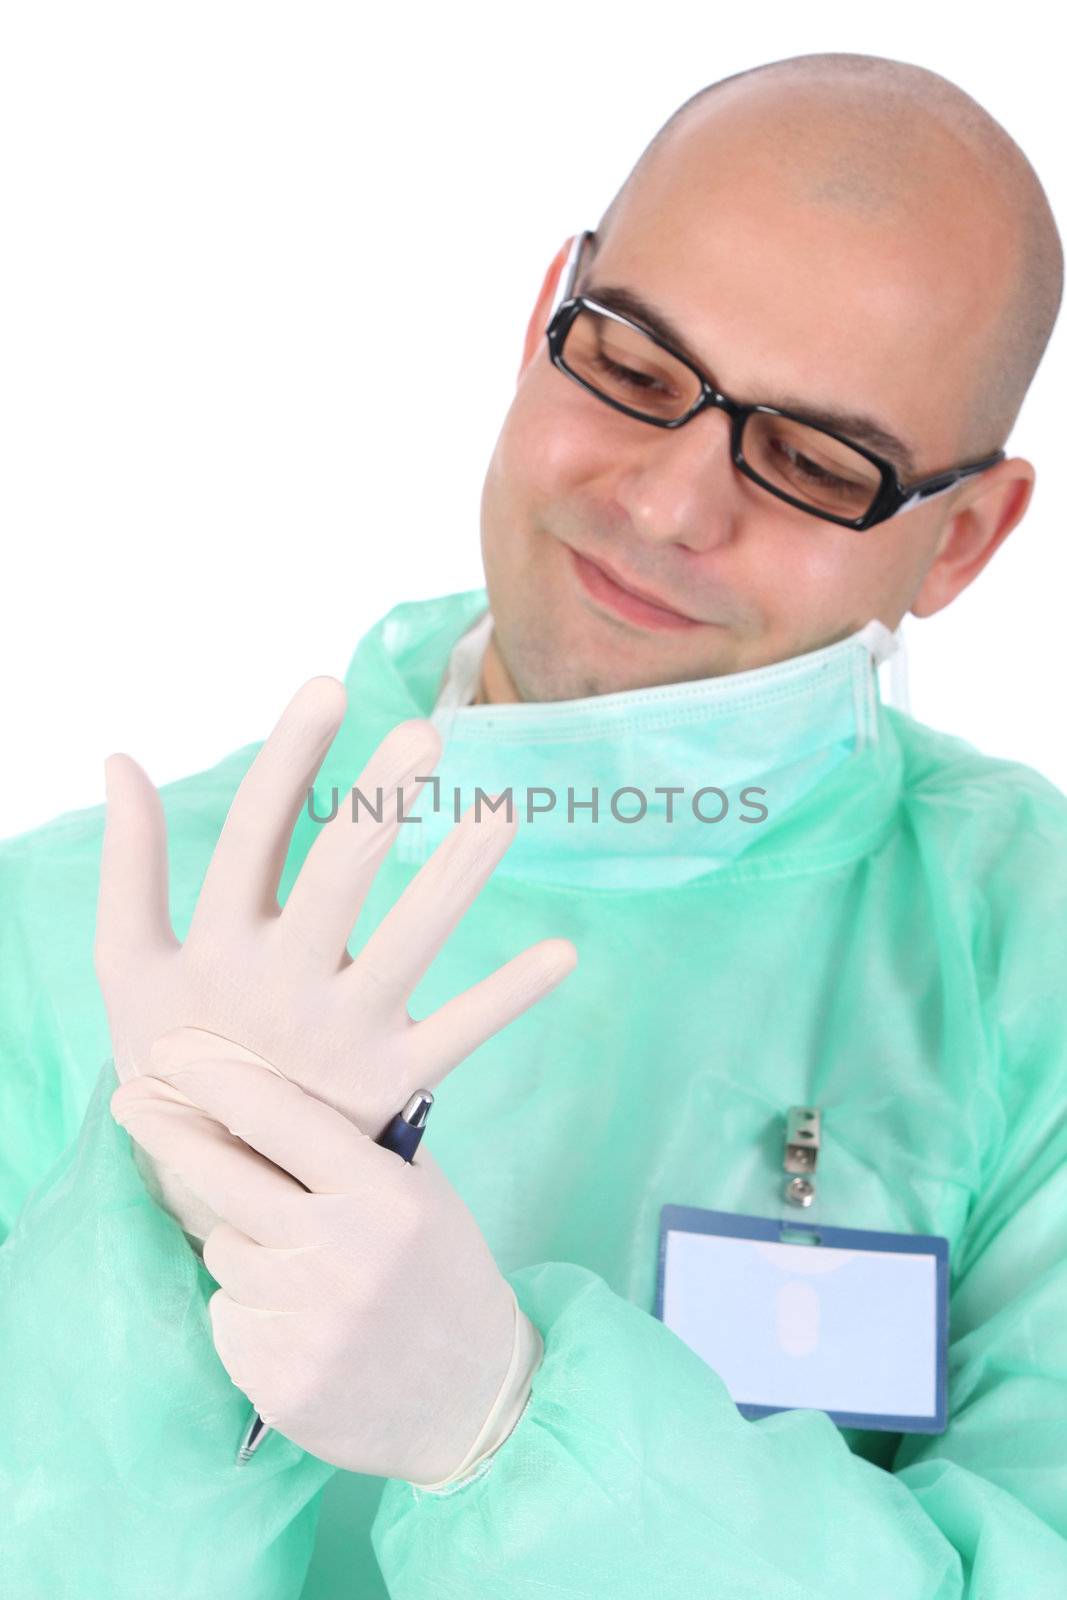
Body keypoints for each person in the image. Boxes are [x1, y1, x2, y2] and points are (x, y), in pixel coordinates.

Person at [2, 47, 1065, 1599]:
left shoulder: (1030, 961)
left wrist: (508, 1430)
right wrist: (167, 1267)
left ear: (959, 539)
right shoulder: (83, 933)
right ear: (540, 323)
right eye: (633, 369)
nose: (669, 505)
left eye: (817, 463)